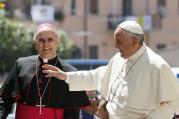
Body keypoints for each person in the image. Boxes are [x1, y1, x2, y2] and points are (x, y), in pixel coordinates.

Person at [43, 20, 179, 119]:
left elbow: (173, 102)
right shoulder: (119, 58)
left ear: (133, 41)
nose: (115, 45)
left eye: (119, 41)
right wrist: (66, 76)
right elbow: (96, 76)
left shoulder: (157, 66)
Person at [0, 23, 91, 119]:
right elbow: (5, 100)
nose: (46, 44)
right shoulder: (21, 65)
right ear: (36, 44)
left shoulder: (70, 72)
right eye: (41, 40)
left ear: (57, 42)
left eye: (50, 39)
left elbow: (73, 111)